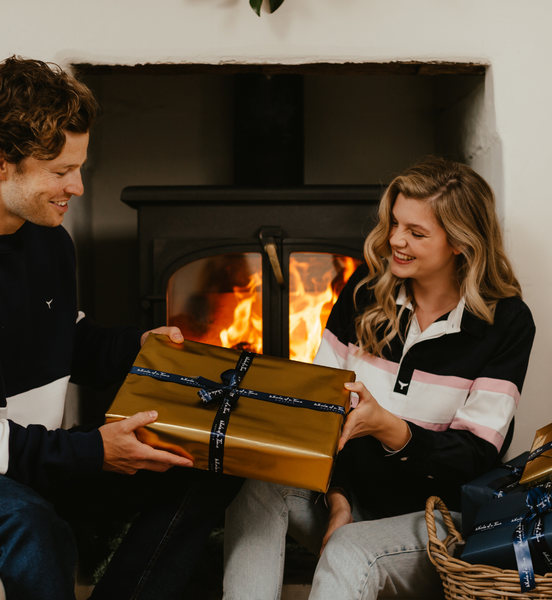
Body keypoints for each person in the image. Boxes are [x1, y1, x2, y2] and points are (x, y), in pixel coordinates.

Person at [0, 56, 242, 600]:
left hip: (16, 447)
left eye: (79, 167)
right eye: (60, 172)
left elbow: (63, 338)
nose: (77, 187)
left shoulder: (47, 236)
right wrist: (93, 452)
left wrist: (139, 347)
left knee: (200, 463)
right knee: (31, 528)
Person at [222, 157, 536, 599]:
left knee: (350, 548)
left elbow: (476, 457)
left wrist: (391, 428)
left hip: (438, 521)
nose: (395, 240)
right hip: (353, 498)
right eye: (394, 224)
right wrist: (339, 499)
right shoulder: (364, 293)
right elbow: (318, 416)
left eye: (416, 233)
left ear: (461, 244)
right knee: (259, 488)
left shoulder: (505, 322)